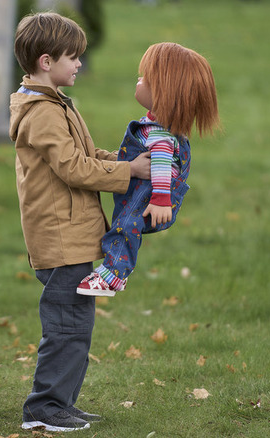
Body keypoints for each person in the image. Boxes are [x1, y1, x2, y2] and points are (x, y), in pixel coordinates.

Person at [9, 12, 152, 432]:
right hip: (58, 236)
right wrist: (130, 173)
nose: (79, 64)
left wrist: (127, 161)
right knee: (66, 326)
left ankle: (61, 402)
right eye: (74, 57)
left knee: (76, 325)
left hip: (71, 233)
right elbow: (73, 169)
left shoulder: (55, 104)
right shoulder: (43, 113)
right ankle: (43, 408)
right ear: (47, 61)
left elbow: (87, 155)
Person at [77, 42, 220, 297]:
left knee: (125, 226)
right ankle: (115, 271)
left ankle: (112, 275)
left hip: (149, 196)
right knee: (125, 225)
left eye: (146, 79)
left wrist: (161, 200)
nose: (139, 80)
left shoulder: (161, 137)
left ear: (164, 92)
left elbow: (163, 167)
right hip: (146, 192)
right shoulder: (157, 127)